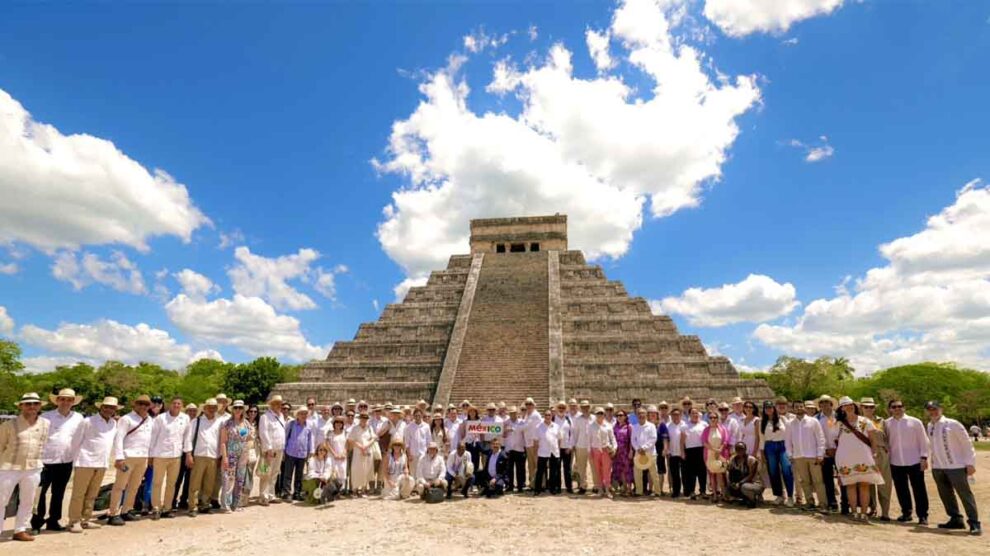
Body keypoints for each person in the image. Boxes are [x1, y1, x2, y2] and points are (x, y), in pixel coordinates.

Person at [31, 388, 84, 534]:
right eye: (63, 399)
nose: (66, 402)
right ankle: (36, 523)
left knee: (58, 493)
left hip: (66, 460)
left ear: (73, 402)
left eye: (69, 399)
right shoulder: (46, 417)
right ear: (57, 400)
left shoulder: (79, 418)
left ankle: (53, 520)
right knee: (39, 494)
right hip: (45, 461)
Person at [0, 393, 50, 542]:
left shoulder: (45, 424)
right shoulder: (9, 425)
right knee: (2, 500)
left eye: (35, 404)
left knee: (28, 501)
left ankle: (20, 530)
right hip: (9, 467)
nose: (32, 407)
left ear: (40, 406)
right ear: (21, 406)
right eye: (28, 404)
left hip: (33, 467)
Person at [926, 401, 981, 535]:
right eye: (930, 409)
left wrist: (970, 463)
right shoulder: (930, 426)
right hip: (938, 466)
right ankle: (955, 518)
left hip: (956, 465)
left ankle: (974, 522)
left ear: (941, 409)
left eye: (935, 409)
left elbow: (967, 444)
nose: (933, 411)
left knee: (964, 493)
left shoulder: (952, 424)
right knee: (945, 494)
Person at [67, 396, 119, 533]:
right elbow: (75, 441)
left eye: (112, 408)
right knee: (79, 493)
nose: (109, 410)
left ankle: (86, 519)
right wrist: (75, 459)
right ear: (101, 407)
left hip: (102, 462)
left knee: (92, 494)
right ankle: (74, 521)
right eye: (106, 407)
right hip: (85, 461)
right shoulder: (88, 421)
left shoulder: (113, 423)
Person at [107, 394, 155, 525]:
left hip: (143, 457)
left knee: (134, 486)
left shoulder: (150, 420)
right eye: (140, 404)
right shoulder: (126, 419)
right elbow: (119, 438)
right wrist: (119, 457)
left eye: (146, 404)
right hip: (128, 456)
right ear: (135, 405)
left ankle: (127, 510)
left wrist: (150, 456)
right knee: (120, 486)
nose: (143, 406)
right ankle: (113, 513)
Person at [834, 397, 884, 521]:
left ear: (855, 406)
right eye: (845, 406)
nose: (849, 407)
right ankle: (854, 512)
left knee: (864, 485)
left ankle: (863, 513)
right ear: (841, 409)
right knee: (850, 485)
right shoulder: (838, 424)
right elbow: (835, 441)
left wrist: (874, 453)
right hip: (845, 457)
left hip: (864, 457)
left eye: (851, 405)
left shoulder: (865, 421)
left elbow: (872, 440)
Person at [885, 397, 930, 525]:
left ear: (904, 408)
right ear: (890, 409)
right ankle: (906, 513)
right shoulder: (887, 424)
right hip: (896, 461)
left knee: (919, 489)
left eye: (899, 406)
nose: (897, 409)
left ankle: (922, 515)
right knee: (901, 489)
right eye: (894, 407)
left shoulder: (915, 422)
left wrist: (924, 457)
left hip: (914, 460)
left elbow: (924, 440)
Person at [148, 396, 189, 519]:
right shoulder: (161, 418)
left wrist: (188, 454)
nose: (176, 405)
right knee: (157, 483)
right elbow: (153, 437)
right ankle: (156, 508)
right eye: (174, 403)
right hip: (160, 455)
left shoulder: (185, 418)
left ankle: (167, 508)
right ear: (170, 404)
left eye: (179, 404)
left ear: (182, 406)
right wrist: (150, 456)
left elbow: (187, 437)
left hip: (176, 456)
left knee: (172, 484)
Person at [183, 398, 223, 517]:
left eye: (214, 407)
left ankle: (205, 504)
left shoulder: (219, 422)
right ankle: (193, 506)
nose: (212, 409)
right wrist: (189, 454)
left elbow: (221, 440)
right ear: (204, 409)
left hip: (213, 455)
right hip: (199, 455)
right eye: (209, 407)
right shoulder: (196, 421)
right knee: (195, 482)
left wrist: (220, 456)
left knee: (209, 482)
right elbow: (188, 439)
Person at [785, 401, 828, 512]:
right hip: (798, 456)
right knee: (804, 481)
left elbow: (820, 438)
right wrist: (790, 455)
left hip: (813, 455)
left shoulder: (813, 421)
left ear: (804, 407)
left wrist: (820, 454)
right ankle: (810, 502)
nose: (799, 408)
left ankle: (823, 504)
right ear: (793, 409)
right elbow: (788, 441)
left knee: (818, 481)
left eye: (801, 406)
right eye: (796, 407)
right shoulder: (790, 423)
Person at [861, 397, 892, 521]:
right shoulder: (857, 422)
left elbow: (888, 438)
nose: (869, 409)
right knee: (868, 483)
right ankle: (871, 508)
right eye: (866, 407)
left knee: (884, 483)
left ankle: (885, 512)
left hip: (881, 452)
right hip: (864, 452)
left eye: (871, 407)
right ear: (861, 408)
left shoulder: (882, 421)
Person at [219, 400, 254, 511]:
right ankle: (226, 504)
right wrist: (225, 457)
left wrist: (248, 452)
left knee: (240, 479)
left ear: (243, 409)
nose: (238, 410)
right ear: (232, 409)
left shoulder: (247, 423)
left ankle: (236, 503)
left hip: (243, 454)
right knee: (229, 479)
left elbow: (249, 439)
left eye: (240, 408)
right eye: (236, 408)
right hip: (231, 453)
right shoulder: (227, 424)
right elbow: (223, 442)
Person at [760, 400, 794, 507]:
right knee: (773, 471)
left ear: (774, 408)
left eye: (770, 407)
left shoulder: (782, 419)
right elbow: (762, 438)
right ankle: (779, 495)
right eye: (766, 408)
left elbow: (789, 433)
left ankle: (790, 496)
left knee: (786, 470)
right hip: (769, 446)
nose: (769, 409)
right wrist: (762, 452)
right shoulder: (763, 422)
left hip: (782, 445)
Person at [281, 405, 314, 501]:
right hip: (290, 452)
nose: (304, 415)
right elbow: (285, 437)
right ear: (297, 415)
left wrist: (310, 451)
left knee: (299, 475)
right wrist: (284, 450)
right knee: (288, 474)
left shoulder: (309, 425)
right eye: (301, 413)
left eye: (305, 413)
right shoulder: (291, 424)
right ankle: (286, 493)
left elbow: (310, 439)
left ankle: (297, 493)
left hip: (302, 454)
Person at [257, 395, 286, 506]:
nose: (278, 405)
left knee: (274, 473)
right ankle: (263, 496)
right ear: (271, 404)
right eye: (276, 403)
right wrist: (268, 448)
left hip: (279, 448)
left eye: (279, 403)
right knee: (266, 473)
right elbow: (263, 433)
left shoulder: (281, 416)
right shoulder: (265, 417)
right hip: (270, 449)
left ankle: (271, 494)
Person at [816, 395, 842, 512]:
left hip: (840, 451)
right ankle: (832, 501)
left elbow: (843, 433)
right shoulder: (816, 419)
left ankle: (845, 502)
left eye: (827, 402)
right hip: (824, 453)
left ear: (832, 404)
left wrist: (837, 448)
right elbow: (816, 437)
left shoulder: (839, 416)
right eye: (822, 402)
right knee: (827, 479)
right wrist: (825, 449)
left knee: (843, 477)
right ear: (819, 405)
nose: (825, 404)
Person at [589, 407, 616, 498]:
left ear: (604, 415)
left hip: (606, 449)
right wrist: (590, 451)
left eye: (601, 413)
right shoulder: (591, 426)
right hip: (595, 449)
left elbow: (612, 438)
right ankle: (600, 489)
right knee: (598, 471)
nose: (600, 415)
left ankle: (607, 490)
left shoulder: (608, 425)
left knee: (607, 470)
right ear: (595, 415)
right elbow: (589, 440)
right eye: (598, 414)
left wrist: (614, 448)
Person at [681, 408, 708, 500]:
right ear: (689, 415)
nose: (695, 415)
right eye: (692, 413)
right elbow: (682, 441)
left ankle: (703, 491)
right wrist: (682, 452)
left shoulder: (704, 424)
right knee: (691, 473)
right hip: (690, 450)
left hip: (701, 450)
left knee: (702, 472)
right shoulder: (685, 426)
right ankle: (692, 491)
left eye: (696, 413)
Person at [633, 406, 660, 496]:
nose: (641, 415)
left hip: (650, 453)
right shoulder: (634, 427)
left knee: (654, 473)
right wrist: (638, 448)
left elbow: (653, 438)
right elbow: (633, 440)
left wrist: (644, 447)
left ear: (646, 414)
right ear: (637, 415)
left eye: (643, 413)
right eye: (639, 413)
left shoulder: (651, 426)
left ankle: (657, 491)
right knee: (637, 473)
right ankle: (639, 491)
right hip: (638, 453)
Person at [702, 411, 729, 502]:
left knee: (720, 474)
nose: (713, 419)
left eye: (715, 417)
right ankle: (714, 495)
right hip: (710, 454)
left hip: (721, 454)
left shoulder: (723, 429)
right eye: (711, 418)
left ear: (718, 419)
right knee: (712, 475)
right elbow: (704, 442)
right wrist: (714, 450)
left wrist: (720, 449)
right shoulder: (706, 430)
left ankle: (724, 494)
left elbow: (725, 440)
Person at [726, 442, 763, 507]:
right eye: (737, 449)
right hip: (742, 482)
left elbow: (751, 475)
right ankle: (745, 499)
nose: (739, 451)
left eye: (741, 449)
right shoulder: (733, 460)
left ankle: (752, 500)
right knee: (729, 487)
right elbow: (729, 471)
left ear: (745, 449)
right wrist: (732, 482)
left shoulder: (751, 460)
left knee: (744, 487)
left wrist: (739, 483)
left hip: (755, 483)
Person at [348, 412, 377, 496]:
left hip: (367, 451)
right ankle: (355, 490)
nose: (364, 420)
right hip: (358, 451)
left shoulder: (369, 428)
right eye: (362, 418)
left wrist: (366, 446)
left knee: (366, 470)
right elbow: (351, 440)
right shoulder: (355, 428)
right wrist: (361, 447)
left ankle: (364, 489)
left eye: (365, 418)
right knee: (356, 470)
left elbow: (373, 438)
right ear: (360, 419)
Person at [534, 409, 561, 495]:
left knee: (553, 472)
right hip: (542, 451)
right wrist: (535, 453)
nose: (548, 416)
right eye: (546, 415)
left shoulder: (556, 426)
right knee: (540, 472)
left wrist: (558, 450)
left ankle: (552, 488)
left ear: (551, 416)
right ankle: (537, 489)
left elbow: (559, 439)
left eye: (549, 415)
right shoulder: (538, 427)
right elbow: (535, 441)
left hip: (553, 451)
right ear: (544, 416)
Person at [610, 409, 634, 496]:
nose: (619, 417)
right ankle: (624, 488)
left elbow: (631, 440)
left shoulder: (629, 426)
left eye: (621, 415)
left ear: (625, 416)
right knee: (620, 471)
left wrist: (631, 450)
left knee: (627, 470)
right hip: (617, 452)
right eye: (618, 415)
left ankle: (629, 489)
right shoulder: (615, 427)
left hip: (626, 451)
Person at [503, 405, 527, 493]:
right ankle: (510, 485)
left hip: (519, 448)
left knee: (520, 469)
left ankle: (520, 486)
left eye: (514, 413)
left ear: (517, 413)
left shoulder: (522, 422)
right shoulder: (505, 422)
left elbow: (524, 433)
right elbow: (502, 435)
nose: (513, 414)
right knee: (509, 469)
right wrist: (505, 431)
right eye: (511, 413)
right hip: (509, 448)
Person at [553, 401, 574, 493]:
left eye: (563, 408)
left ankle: (569, 487)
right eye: (560, 407)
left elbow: (572, 434)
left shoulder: (569, 420)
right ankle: (557, 487)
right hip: (556, 448)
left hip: (566, 448)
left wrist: (570, 447)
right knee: (556, 468)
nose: (561, 409)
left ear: (565, 409)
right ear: (557, 409)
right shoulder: (553, 419)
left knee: (567, 468)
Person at [404, 408, 431, 480]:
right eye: (416, 416)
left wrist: (428, 454)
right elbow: (407, 443)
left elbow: (428, 442)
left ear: (422, 415)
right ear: (413, 416)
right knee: (413, 474)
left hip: (423, 454)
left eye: (419, 415)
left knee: (423, 474)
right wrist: (409, 455)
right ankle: (414, 490)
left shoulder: (426, 426)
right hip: (413, 455)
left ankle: (421, 490)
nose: (417, 417)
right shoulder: (409, 427)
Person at [571, 400, 591, 494]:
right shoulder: (578, 420)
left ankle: (597, 485)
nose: (585, 409)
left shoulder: (594, 418)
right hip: (581, 445)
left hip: (592, 446)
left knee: (595, 467)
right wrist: (574, 445)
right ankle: (583, 485)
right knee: (581, 467)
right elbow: (575, 434)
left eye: (586, 407)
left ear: (589, 407)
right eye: (583, 407)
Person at [665, 408, 686, 498]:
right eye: (674, 415)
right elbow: (666, 439)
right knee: (675, 473)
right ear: (671, 416)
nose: (676, 416)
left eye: (677, 414)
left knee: (685, 473)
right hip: (672, 453)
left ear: (681, 415)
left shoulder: (685, 425)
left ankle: (686, 490)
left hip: (683, 452)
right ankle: (676, 491)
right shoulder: (668, 426)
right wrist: (667, 451)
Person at [522, 397, 541, 489]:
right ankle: (533, 484)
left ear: (534, 405)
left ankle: (541, 484)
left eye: (530, 404)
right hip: (528, 443)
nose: (528, 406)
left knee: (537, 464)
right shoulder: (527, 415)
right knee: (531, 465)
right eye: (527, 404)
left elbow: (526, 427)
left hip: (535, 443)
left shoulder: (536, 415)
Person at [327, 417, 348, 488]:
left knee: (342, 472)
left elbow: (347, 444)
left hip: (342, 456)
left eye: (340, 423)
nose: (338, 424)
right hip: (333, 456)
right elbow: (328, 444)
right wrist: (334, 454)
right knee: (333, 472)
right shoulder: (330, 433)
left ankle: (340, 491)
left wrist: (344, 453)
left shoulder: (345, 433)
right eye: (337, 422)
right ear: (334, 424)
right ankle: (333, 490)